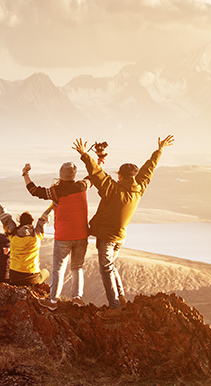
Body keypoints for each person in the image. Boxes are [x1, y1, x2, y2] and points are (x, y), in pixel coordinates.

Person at [74, 135, 175, 315]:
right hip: (120, 237)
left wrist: (84, 154)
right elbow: (149, 169)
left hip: (108, 238)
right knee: (110, 266)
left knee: (106, 269)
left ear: (120, 176)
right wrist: (160, 150)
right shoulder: (139, 188)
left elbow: (97, 174)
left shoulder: (113, 190)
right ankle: (121, 300)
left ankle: (115, 307)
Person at [24, 161, 91, 310]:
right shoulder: (82, 186)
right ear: (74, 175)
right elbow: (93, 176)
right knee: (77, 267)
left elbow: (34, 190)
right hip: (81, 235)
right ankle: (77, 298)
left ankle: (53, 301)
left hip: (63, 237)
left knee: (58, 270)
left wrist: (25, 174)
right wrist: (99, 160)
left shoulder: (55, 191)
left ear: (61, 174)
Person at [0, 189, 51, 286]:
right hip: (32, 276)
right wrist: (55, 203)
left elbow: (3, 215)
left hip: (14, 276)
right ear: (32, 222)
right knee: (46, 272)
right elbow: (45, 217)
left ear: (20, 221)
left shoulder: (13, 233)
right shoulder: (36, 235)